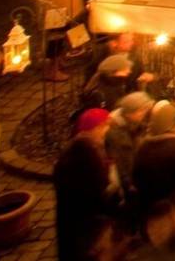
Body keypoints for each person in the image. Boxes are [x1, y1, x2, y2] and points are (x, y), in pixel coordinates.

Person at [54, 109, 121, 261]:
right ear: (96, 128)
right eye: (104, 126)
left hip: (73, 219)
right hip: (85, 224)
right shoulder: (86, 155)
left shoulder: (78, 148)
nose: (107, 130)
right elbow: (96, 194)